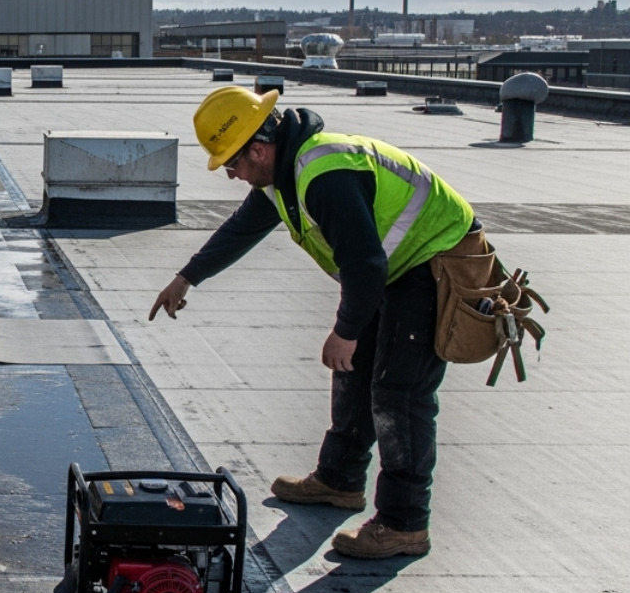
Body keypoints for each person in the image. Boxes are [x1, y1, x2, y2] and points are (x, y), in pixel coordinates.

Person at [148, 86, 481, 559]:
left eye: (232, 163)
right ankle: (339, 480)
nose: (231, 174)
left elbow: (365, 265)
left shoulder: (325, 175)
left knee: (399, 395)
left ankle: (404, 524)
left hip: (435, 262)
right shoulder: (283, 174)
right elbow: (243, 227)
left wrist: (346, 331)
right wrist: (187, 277)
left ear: (258, 150)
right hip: (394, 267)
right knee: (352, 370)